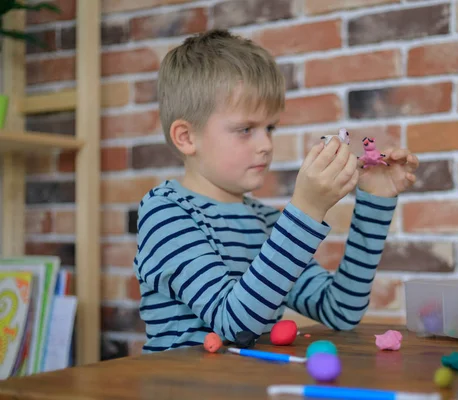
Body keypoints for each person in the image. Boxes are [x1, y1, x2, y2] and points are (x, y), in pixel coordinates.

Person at [133, 29, 419, 353]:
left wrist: (374, 203)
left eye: (270, 127)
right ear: (186, 137)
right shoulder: (166, 213)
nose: (266, 144)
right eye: (246, 129)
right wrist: (307, 209)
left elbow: (340, 310)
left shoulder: (266, 222)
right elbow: (234, 325)